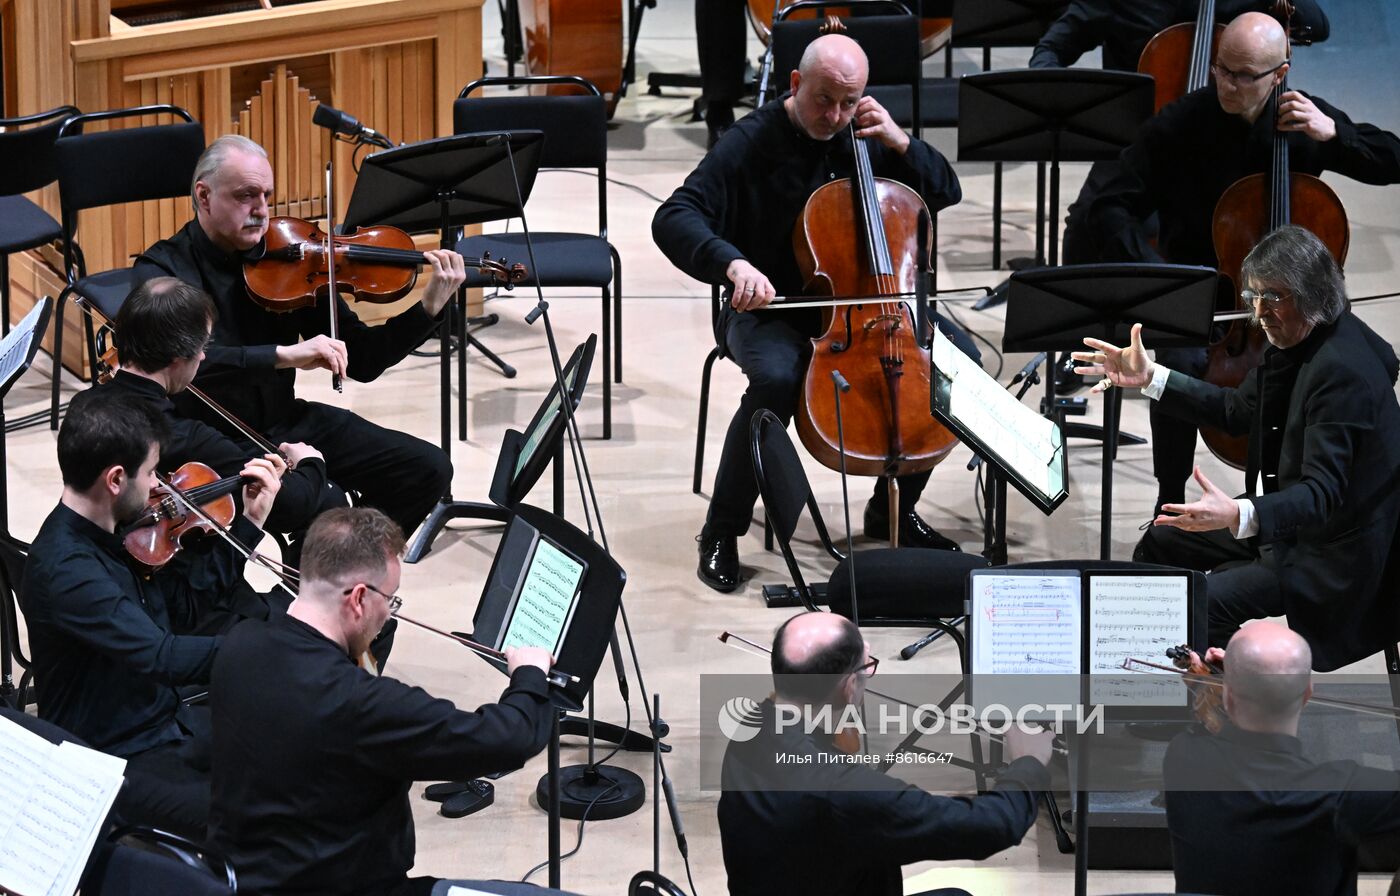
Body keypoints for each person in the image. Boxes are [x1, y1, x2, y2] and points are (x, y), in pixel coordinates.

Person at [653, 33, 976, 593]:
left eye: (849, 103)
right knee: (777, 378)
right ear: (796, 83)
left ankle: (892, 508)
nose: (836, 115)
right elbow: (675, 215)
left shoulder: (869, 135)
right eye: (825, 99)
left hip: (872, 307)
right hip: (771, 307)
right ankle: (722, 528)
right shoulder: (750, 141)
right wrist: (732, 265)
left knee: (959, 366)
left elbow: (943, 191)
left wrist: (903, 144)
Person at [1084, 11, 1400, 514]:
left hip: (1300, 302)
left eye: (1243, 76)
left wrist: (1334, 134)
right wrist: (1159, 278)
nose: (1227, 84)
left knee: (1377, 359)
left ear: (1279, 74)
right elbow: (1108, 204)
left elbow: (1393, 159)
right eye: (1221, 70)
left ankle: (1322, 502)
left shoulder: (1301, 120)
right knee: (1179, 361)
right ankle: (1169, 504)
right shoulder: (1183, 122)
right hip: (1207, 300)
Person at [1072, 225, 1400, 670]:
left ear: (1313, 294)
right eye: (1253, 298)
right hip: (1289, 526)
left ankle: (1219, 719)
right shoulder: (1303, 335)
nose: (1259, 313)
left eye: (1273, 298)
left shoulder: (1342, 375)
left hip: (1329, 553)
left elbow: (1320, 496)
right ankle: (1148, 676)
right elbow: (1236, 410)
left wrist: (1239, 515)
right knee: (1163, 536)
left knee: (1208, 604)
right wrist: (1153, 378)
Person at [207, 506, 557, 896]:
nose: (389, 615)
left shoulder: (239, 646)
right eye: (390, 599)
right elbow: (508, 738)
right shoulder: (357, 703)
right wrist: (529, 674)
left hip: (242, 881)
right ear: (358, 597)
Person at [132, 134, 460, 542]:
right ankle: (327, 568)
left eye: (267, 196)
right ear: (204, 196)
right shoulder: (162, 272)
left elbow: (364, 360)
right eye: (246, 196)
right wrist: (283, 355)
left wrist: (427, 309)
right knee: (323, 501)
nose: (262, 211)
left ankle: (338, 568)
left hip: (285, 422)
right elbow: (189, 365)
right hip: (211, 438)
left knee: (426, 469)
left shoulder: (294, 258)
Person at [19, 387, 284, 838]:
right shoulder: (69, 571)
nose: (160, 485)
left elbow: (182, 609)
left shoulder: (117, 530)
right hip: (116, 758)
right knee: (263, 824)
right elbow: (161, 656)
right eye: (151, 472)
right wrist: (269, 649)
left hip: (164, 721)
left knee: (297, 755)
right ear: (116, 479)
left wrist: (248, 524)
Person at [718, 611, 1053, 895]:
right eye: (868, 666)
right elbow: (992, 825)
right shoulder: (846, 793)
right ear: (850, 686)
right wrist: (1028, 762)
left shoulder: (749, 731)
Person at [105, 275, 346, 570]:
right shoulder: (185, 438)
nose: (205, 355)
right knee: (330, 502)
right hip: (181, 581)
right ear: (179, 358)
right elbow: (293, 505)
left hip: (107, 556)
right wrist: (311, 462)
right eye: (203, 347)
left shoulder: (86, 406)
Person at [1164, 621, 1400, 896]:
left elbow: (1211, 722)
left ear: (1227, 695)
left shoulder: (1182, 756)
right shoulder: (1340, 793)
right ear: (1308, 694)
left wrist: (1229, 679)